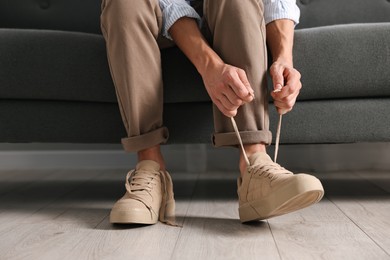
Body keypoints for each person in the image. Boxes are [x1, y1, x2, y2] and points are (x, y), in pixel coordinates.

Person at [100, 0, 324, 225]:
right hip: (158, 16)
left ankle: (254, 165)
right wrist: (209, 65)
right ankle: (150, 168)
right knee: (124, 3)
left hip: (227, 14)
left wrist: (283, 58)